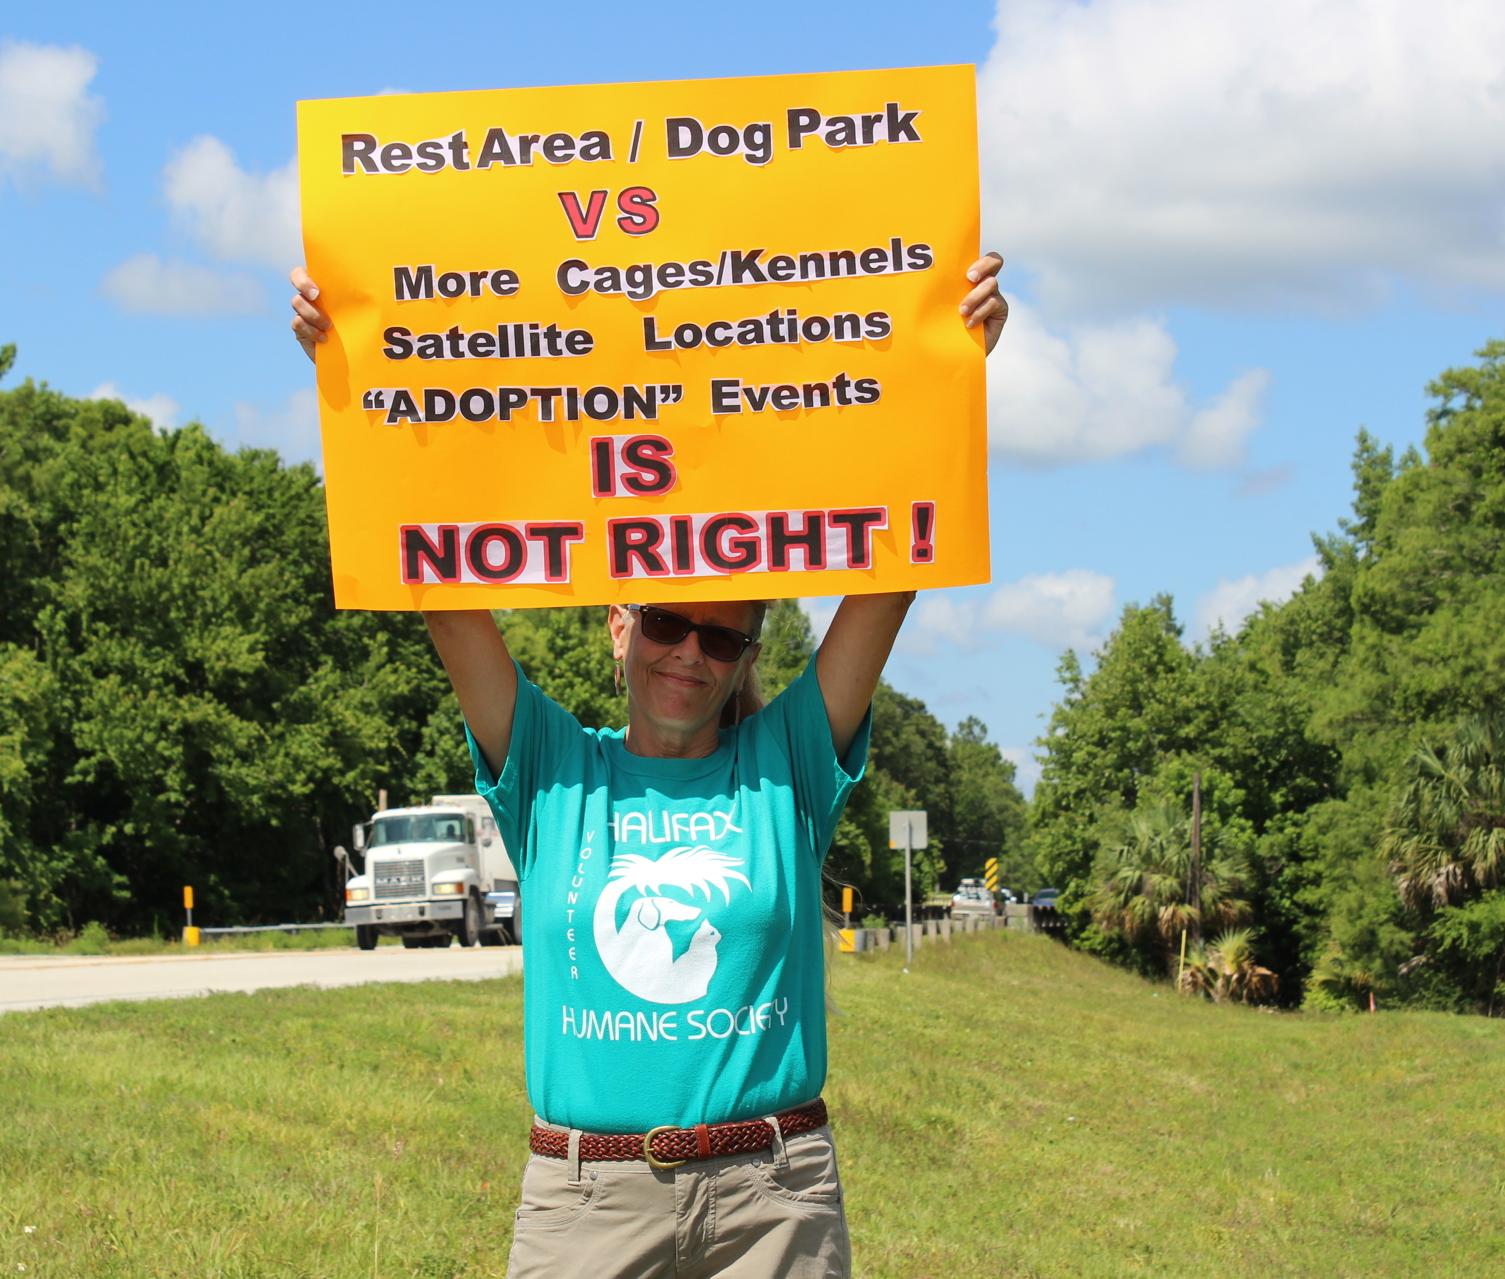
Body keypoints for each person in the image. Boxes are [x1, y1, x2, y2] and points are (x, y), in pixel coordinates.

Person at [288, 257, 1006, 1277]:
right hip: (586, 1200)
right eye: (667, 622)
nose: (688, 655)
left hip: (774, 1194)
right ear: (617, 623)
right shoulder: (548, 768)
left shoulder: (783, 767)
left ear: (752, 653)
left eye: (722, 638)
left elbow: (891, 578)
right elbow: (438, 588)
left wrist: (952, 363)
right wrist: (354, 376)